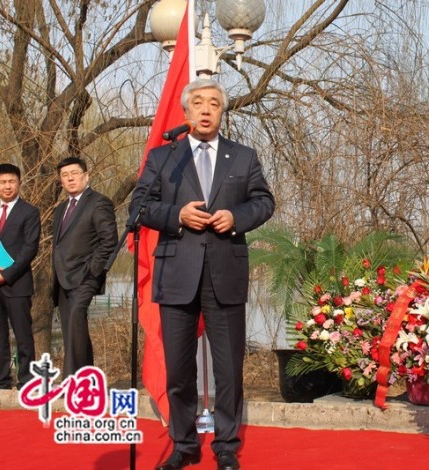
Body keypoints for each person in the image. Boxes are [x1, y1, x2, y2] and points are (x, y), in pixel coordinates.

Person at [129, 79, 275, 470]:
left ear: (222, 111)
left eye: (213, 103)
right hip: (176, 273)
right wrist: (176, 215)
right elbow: (139, 207)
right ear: (186, 111)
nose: (206, 109)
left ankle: (226, 445)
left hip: (225, 272)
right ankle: (184, 444)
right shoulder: (165, 157)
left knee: (229, 369)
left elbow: (264, 201)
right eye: (198, 103)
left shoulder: (242, 156)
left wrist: (236, 217)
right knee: (179, 369)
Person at [51, 157, 117, 377]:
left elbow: (109, 240)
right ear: (61, 181)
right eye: (65, 175)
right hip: (62, 276)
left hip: (86, 275)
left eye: (74, 173)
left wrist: (93, 270)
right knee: (72, 328)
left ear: (86, 175)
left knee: (75, 318)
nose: (70, 179)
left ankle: (71, 380)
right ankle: (86, 379)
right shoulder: (61, 208)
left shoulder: (99, 202)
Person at [0, 163, 40, 389]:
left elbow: (30, 249)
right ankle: (0, 381)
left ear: (19, 183)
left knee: (23, 335)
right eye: (3, 182)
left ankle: (27, 381)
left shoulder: (29, 212)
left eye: (12, 181)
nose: (7, 186)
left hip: (18, 283)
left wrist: (6, 274)